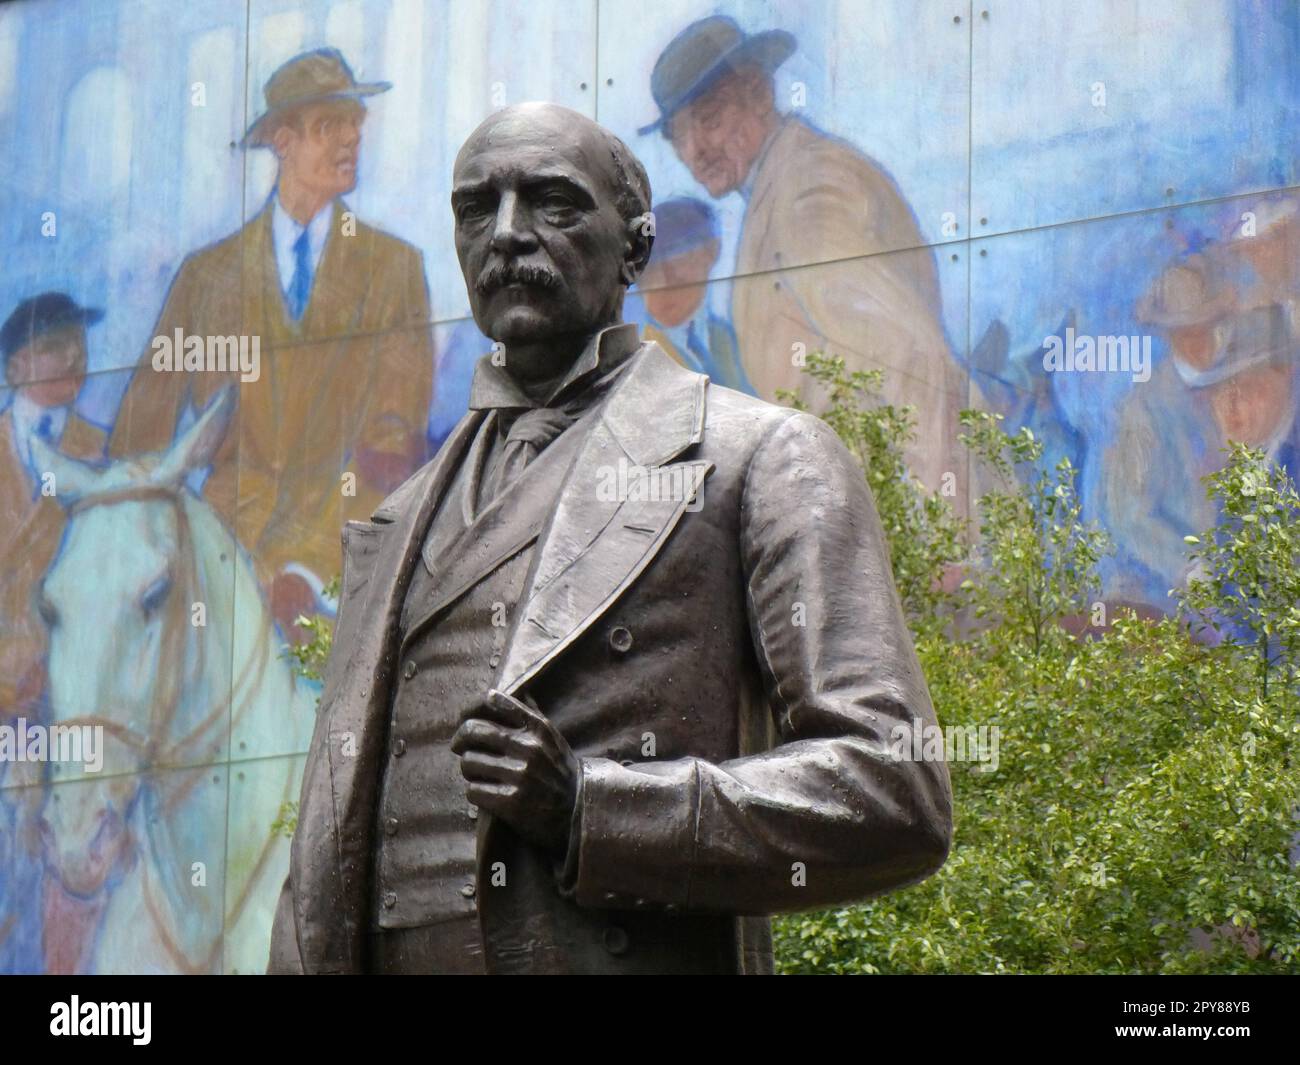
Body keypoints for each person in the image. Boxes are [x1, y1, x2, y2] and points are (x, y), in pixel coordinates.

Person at [268, 102, 952, 975]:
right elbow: (323, 854)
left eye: (552, 202)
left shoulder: (760, 458)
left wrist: (595, 808)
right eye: (478, 208)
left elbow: (894, 788)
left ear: (634, 246)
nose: (508, 233)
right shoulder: (398, 522)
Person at [108, 48, 434, 637]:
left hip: (332, 576)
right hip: (213, 571)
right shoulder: (206, 277)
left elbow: (392, 445)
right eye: (328, 126)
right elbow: (140, 437)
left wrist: (306, 571)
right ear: (282, 141)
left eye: (355, 125)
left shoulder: (394, 269)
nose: (350, 140)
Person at [640, 16, 967, 494]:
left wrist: (939, 534)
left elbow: (908, 357)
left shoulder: (809, 189)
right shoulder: (777, 186)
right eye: (677, 134)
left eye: (708, 118)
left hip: (901, 516)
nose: (694, 150)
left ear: (760, 94)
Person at [0, 293, 106, 717]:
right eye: (54, 346)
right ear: (15, 369)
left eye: (79, 342)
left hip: (78, 689)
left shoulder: (103, 454)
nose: (75, 355)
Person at [632, 195, 750, 392]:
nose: (663, 278)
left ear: (711, 252)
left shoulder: (725, 337)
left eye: (675, 253)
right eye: (651, 264)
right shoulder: (639, 358)